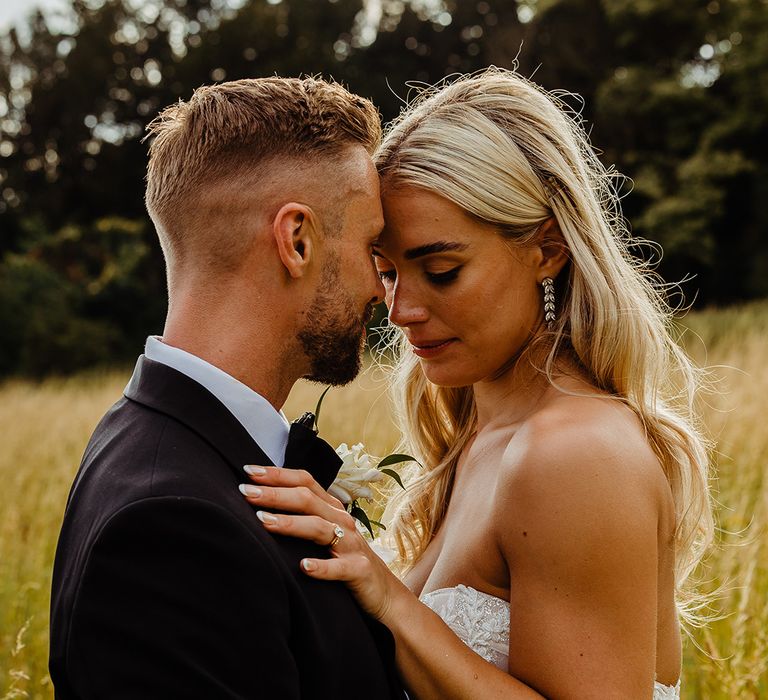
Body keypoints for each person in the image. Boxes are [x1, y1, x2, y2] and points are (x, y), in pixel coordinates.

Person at [238, 69, 714, 699]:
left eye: (441, 270)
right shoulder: (480, 438)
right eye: (386, 272)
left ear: (547, 248)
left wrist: (388, 599)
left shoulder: (574, 454)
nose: (402, 308)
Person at [49, 77, 405, 699]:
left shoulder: (147, 439)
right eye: (372, 247)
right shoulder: (167, 531)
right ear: (296, 240)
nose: (382, 288)